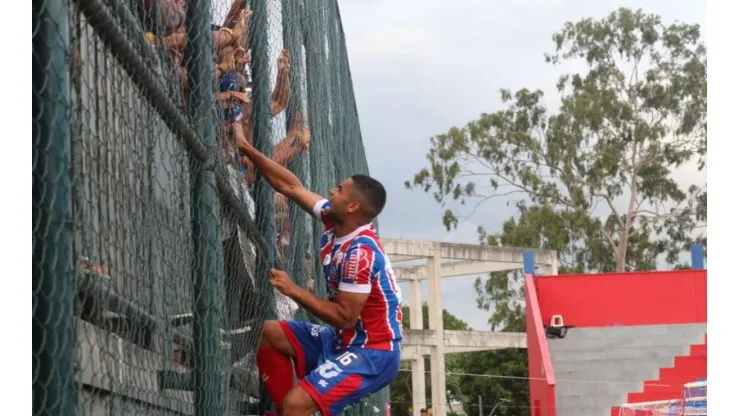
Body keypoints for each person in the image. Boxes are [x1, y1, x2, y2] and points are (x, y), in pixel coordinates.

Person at [238, 133, 404, 416]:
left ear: (352, 207)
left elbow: (344, 316)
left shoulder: (359, 254)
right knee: (268, 333)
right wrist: (246, 148)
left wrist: (294, 290)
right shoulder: (334, 219)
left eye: (339, 190)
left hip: (373, 352)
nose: (331, 191)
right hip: (344, 339)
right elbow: (290, 186)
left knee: (297, 404)